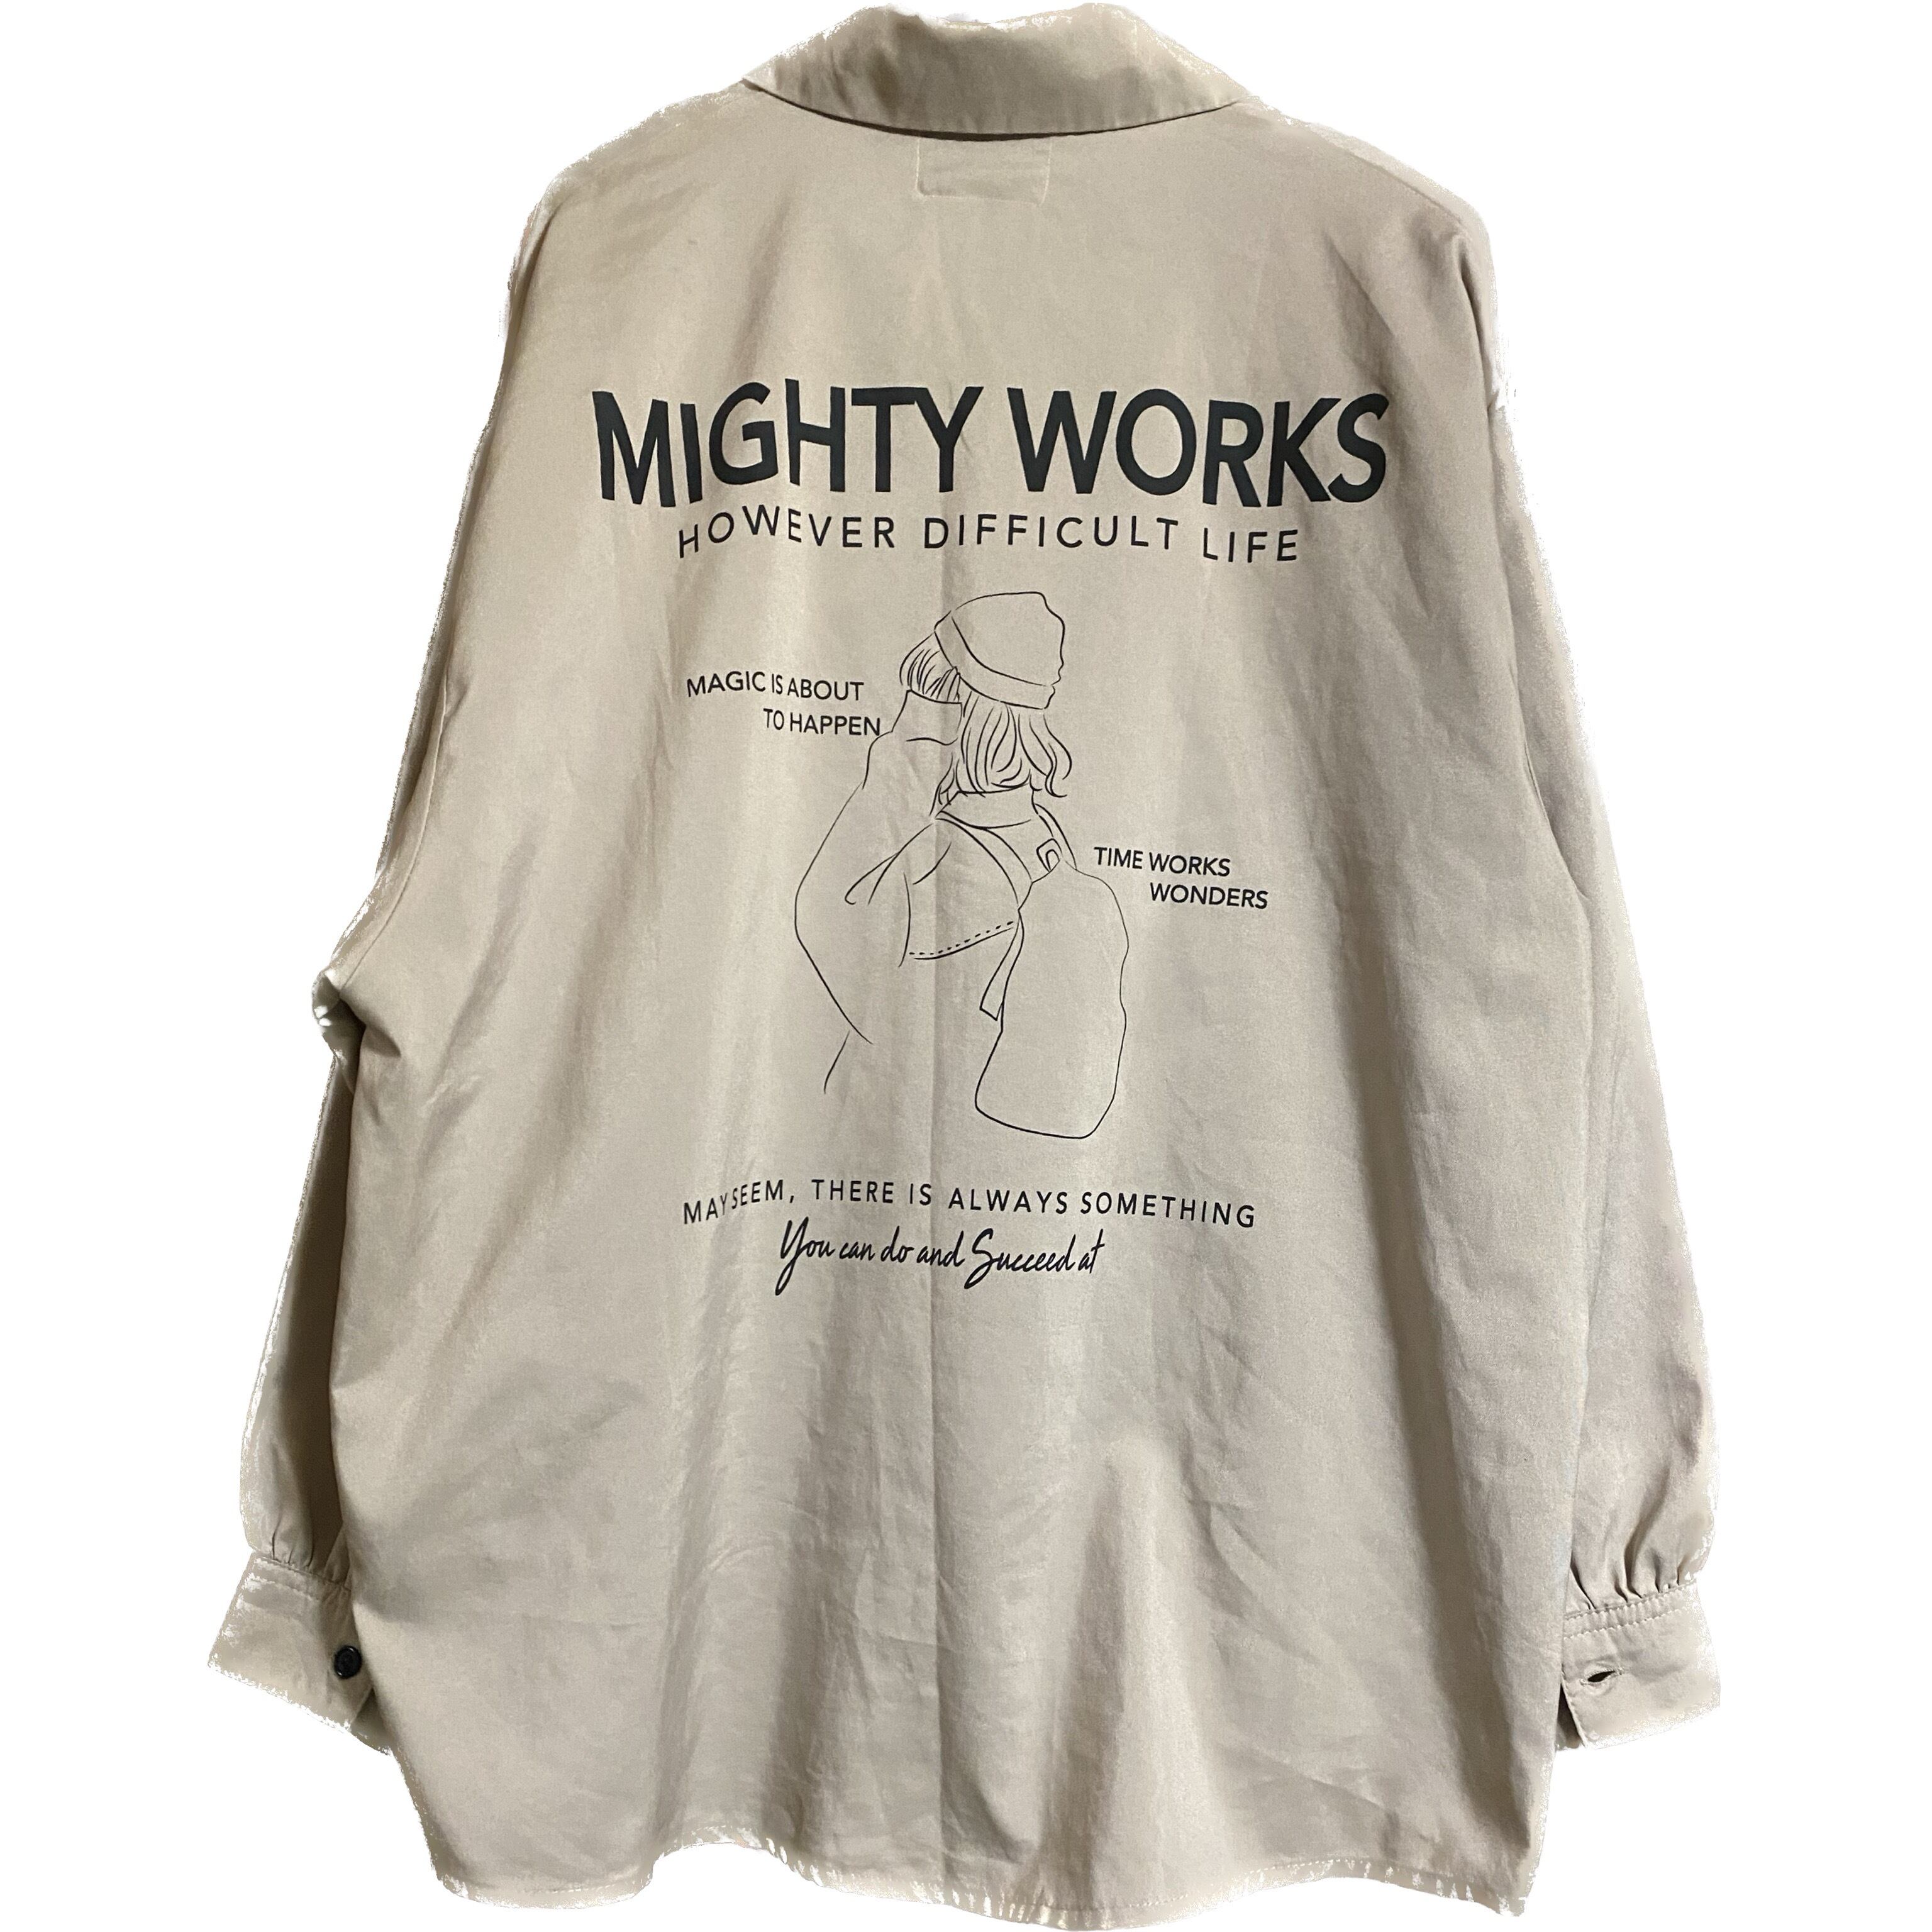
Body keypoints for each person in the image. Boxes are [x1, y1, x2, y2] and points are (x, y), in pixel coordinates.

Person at [796, 591, 1128, 1138]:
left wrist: (900, 761)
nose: (904, 718)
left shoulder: (938, 855)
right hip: (1005, 1147)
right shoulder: (1043, 834)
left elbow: (828, 921)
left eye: (922, 702)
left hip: (896, 1136)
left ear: (957, 717)